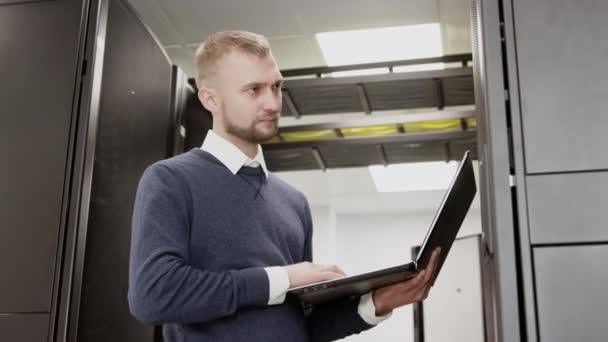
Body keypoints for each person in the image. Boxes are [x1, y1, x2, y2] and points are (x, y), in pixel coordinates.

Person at [128, 30, 441, 342]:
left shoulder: (293, 202)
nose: (272, 102)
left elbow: (301, 324)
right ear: (210, 98)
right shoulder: (171, 181)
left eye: (276, 86)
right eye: (253, 89)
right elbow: (154, 295)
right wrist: (284, 278)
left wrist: (378, 302)